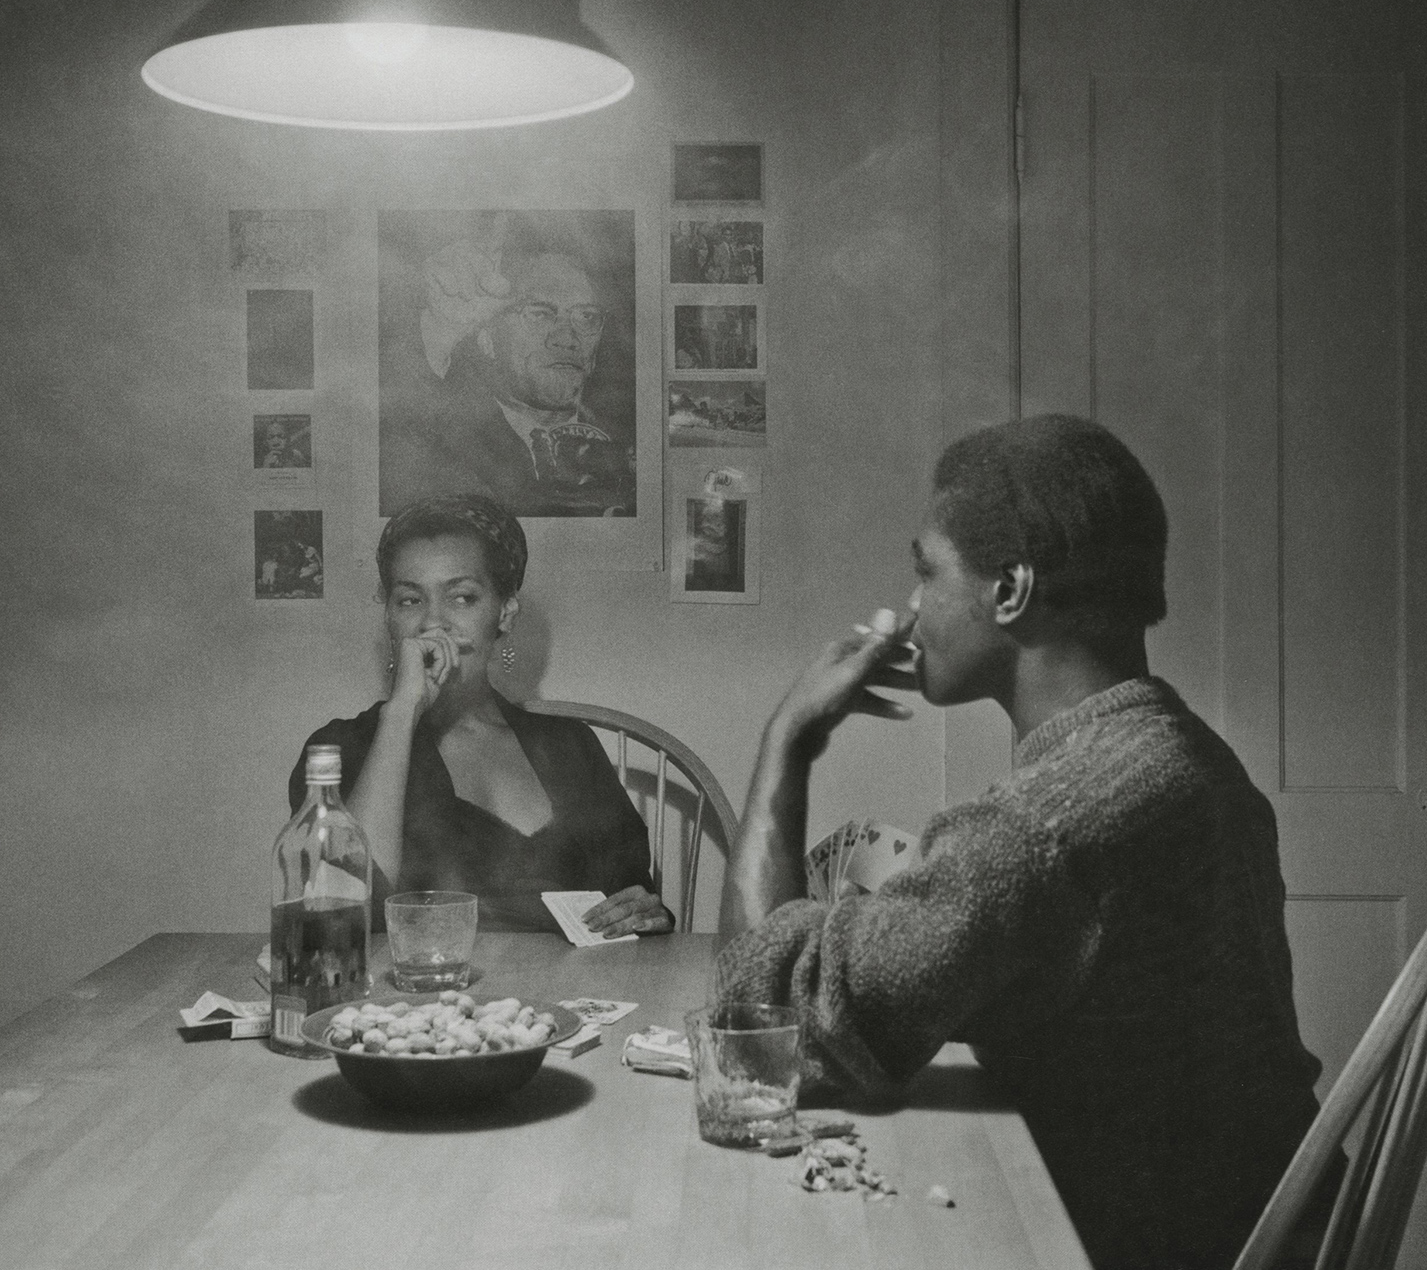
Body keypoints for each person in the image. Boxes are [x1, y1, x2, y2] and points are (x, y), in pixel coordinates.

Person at [716, 414, 1335, 1270]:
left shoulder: (1041, 830)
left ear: (1009, 589)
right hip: (1258, 1229)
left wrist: (788, 740)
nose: (910, 607)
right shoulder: (1189, 758)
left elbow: (762, 1019)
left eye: (926, 571)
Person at [289, 493, 670, 938]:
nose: (434, 623)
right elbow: (344, 916)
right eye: (410, 601)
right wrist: (402, 713)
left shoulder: (570, 745)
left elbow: (633, 898)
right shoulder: (340, 750)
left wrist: (643, 913)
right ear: (389, 618)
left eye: (462, 598)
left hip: (566, 997)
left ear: (505, 612)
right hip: (416, 1000)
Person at [381, 232, 636, 517]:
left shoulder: (629, 444)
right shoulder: (446, 441)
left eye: (586, 316)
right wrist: (438, 335)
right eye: (540, 313)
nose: (567, 338)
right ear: (486, 338)